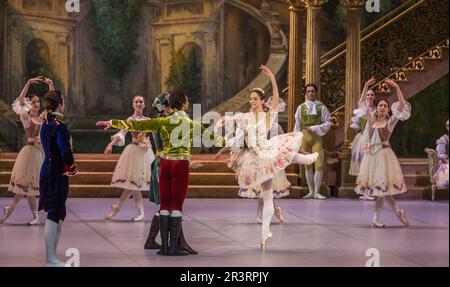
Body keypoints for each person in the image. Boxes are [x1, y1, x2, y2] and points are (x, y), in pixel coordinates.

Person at [97, 91, 223, 256]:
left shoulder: (162, 121)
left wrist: (113, 122)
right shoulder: (190, 123)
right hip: (180, 165)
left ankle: (164, 247)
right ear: (184, 104)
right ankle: (172, 248)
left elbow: (137, 125)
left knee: (164, 206)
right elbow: (214, 139)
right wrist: (240, 141)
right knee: (176, 207)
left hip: (165, 165)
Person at [215, 65, 319, 251]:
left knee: (284, 150)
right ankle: (265, 233)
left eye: (255, 99)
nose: (252, 101)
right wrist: (223, 134)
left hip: (267, 152)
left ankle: (308, 159)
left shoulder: (267, 116)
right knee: (267, 196)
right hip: (256, 160)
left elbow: (277, 99)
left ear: (262, 101)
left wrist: (272, 77)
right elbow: (236, 131)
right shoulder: (245, 117)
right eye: (251, 99)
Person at [143, 93, 198, 254]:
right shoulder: (166, 123)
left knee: (168, 206)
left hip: (165, 164)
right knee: (168, 206)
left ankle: (172, 242)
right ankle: (170, 243)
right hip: (164, 165)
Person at [355, 79, 411, 228]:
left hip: (384, 156)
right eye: (380, 105)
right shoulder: (371, 119)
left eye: (385, 106)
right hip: (371, 156)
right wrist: (366, 85)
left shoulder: (390, 122)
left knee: (382, 191)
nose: (382, 107)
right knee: (383, 191)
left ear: (388, 109)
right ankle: (397, 212)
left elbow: (401, 105)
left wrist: (397, 87)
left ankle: (377, 218)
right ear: (377, 107)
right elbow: (361, 104)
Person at [1, 77, 52, 225]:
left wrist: (50, 85)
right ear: (30, 104)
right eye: (34, 102)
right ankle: (12, 210)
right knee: (24, 187)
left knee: (29, 189)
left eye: (38, 102)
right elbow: (21, 101)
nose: (37, 104)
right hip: (30, 153)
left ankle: (31, 216)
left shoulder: (42, 118)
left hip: (40, 154)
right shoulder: (26, 118)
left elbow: (52, 105)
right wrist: (29, 83)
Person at [39, 90, 78, 267]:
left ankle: (53, 256)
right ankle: (50, 259)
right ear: (60, 104)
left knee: (58, 212)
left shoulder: (45, 123)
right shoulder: (58, 126)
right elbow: (65, 152)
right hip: (56, 172)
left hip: (47, 169)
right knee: (54, 213)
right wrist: (71, 168)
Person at [104, 95, 155, 222]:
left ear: (144, 104)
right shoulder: (130, 119)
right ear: (133, 104)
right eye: (136, 101)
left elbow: (157, 131)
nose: (139, 103)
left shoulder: (148, 119)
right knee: (134, 184)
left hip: (145, 153)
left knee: (134, 184)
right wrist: (111, 144)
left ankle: (118, 207)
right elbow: (122, 133)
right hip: (134, 152)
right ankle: (135, 211)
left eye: (141, 101)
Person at [293, 84, 332, 199]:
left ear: (316, 92)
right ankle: (310, 191)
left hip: (316, 138)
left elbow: (328, 123)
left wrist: (315, 128)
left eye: (313, 91)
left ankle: (317, 192)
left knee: (319, 164)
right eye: (308, 91)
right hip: (305, 138)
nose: (311, 93)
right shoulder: (301, 108)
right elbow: (297, 124)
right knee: (307, 165)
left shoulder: (321, 107)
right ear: (306, 93)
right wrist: (296, 140)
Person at [349, 78, 377, 201]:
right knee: (364, 166)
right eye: (368, 95)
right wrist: (366, 85)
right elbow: (360, 101)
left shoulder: (376, 110)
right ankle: (364, 191)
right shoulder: (363, 109)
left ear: (374, 97)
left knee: (371, 166)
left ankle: (367, 190)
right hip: (364, 139)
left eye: (372, 95)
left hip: (374, 139)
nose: (370, 96)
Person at [433, 119, 449, 189]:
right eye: (448, 126)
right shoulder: (443, 139)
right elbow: (439, 154)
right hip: (446, 162)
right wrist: (445, 159)